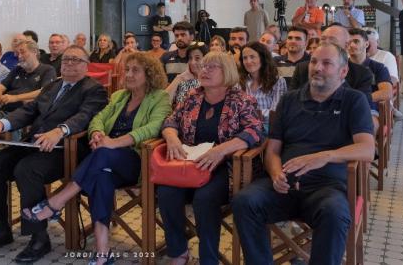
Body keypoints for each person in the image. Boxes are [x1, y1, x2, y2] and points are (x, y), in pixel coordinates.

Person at [232, 43, 375, 265]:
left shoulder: (353, 100)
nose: (317, 67)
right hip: (284, 186)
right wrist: (276, 173)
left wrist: (324, 156)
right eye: (314, 62)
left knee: (335, 214)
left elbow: (367, 148)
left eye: (327, 63)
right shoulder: (289, 100)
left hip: (326, 188)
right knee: (244, 201)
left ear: (343, 71)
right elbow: (272, 149)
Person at [21, 53, 171, 265]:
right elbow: (97, 118)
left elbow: (154, 127)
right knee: (101, 177)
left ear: (150, 74)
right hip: (105, 159)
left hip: (137, 160)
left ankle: (56, 202)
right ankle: (103, 251)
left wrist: (113, 143)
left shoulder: (160, 97)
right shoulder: (120, 96)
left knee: (101, 155)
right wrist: (97, 134)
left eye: (135, 70)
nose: (128, 74)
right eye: (127, 69)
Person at [0, 45, 108, 263]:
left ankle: (38, 236)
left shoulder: (94, 89)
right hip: (34, 144)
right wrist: (2, 123)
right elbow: (29, 111)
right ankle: (0, 229)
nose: (69, 63)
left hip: (66, 149)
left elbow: (84, 116)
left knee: (26, 170)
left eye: (75, 60)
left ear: (86, 65)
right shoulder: (52, 86)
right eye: (66, 59)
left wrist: (60, 130)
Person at [158, 51, 264, 264]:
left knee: (204, 199)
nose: (203, 70)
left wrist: (221, 150)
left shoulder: (241, 100)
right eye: (203, 66)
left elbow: (255, 131)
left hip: (223, 166)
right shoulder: (192, 97)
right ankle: (178, 251)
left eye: (211, 67)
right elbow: (170, 121)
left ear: (227, 72)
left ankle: (209, 258)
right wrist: (172, 138)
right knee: (166, 192)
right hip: (188, 165)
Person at [0, 40, 57, 128]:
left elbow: (45, 91)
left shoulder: (47, 70)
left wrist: (15, 98)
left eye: (22, 52)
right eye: (17, 53)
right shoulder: (18, 69)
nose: (19, 56)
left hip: (24, 114)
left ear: (34, 52)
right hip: (4, 110)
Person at [347, 28, 392, 132]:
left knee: (368, 124)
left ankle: (369, 146)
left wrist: (359, 99)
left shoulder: (378, 67)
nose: (352, 45)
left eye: (356, 41)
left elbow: (387, 92)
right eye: (348, 42)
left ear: (366, 44)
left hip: (369, 107)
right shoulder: (341, 66)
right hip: (343, 107)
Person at [239, 42, 287, 131]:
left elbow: (276, 113)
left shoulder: (278, 81)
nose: (248, 61)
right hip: (243, 128)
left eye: (252, 57)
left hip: (268, 128)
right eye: (245, 58)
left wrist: (249, 114)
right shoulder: (240, 82)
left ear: (262, 58)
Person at [365, 27, 403, 121]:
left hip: (377, 92)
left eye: (368, 44)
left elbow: (393, 80)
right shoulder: (352, 56)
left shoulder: (386, 56)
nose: (365, 46)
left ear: (377, 42)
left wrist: (378, 83)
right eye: (363, 43)